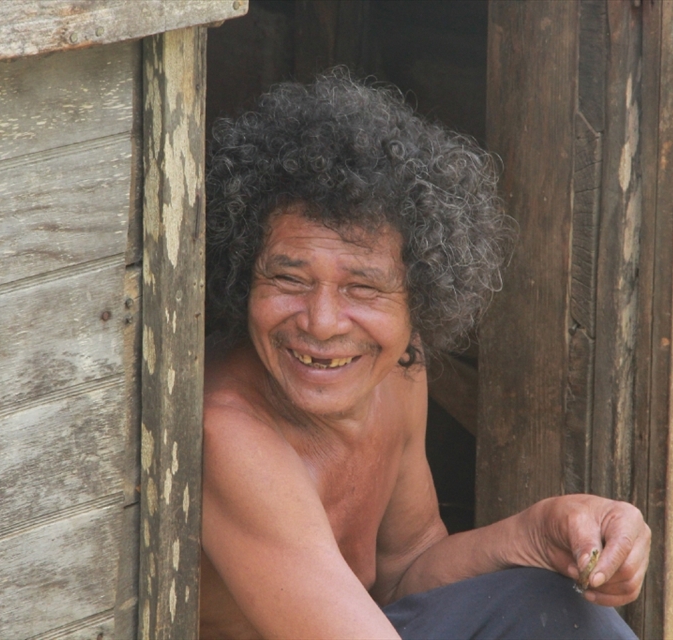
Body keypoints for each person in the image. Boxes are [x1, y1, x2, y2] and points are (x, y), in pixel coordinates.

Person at [199, 70, 649, 639]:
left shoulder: (396, 370)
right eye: (289, 279)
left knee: (564, 608)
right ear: (244, 280)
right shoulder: (228, 433)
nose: (321, 322)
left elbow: (405, 570)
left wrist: (535, 533)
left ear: (421, 298)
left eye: (363, 288)